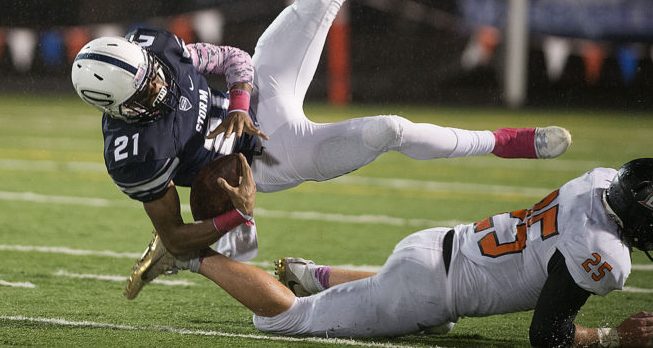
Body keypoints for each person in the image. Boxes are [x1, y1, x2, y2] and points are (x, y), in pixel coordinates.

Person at [70, 0, 572, 297]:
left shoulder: (156, 47)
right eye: (147, 94)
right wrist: (235, 213)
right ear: (119, 110)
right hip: (264, 161)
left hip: (261, 98)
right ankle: (502, 142)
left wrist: (242, 104)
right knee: (389, 130)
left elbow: (231, 58)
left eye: (155, 78)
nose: (160, 86)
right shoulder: (133, 156)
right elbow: (177, 232)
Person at [179, 155, 653, 347]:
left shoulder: (600, 181)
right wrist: (614, 337)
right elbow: (548, 335)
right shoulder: (602, 253)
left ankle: (315, 274)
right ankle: (190, 255)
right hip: (428, 285)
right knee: (285, 320)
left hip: (438, 246)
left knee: (440, 323)